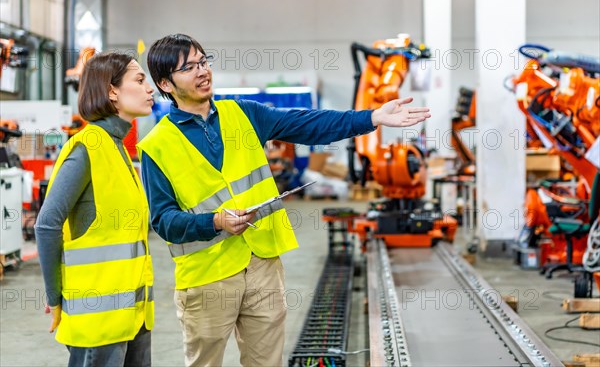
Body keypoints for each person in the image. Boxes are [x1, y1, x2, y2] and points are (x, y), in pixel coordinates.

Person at [139, 33, 431, 367]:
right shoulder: (157, 146)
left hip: (262, 262)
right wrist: (214, 222)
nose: (202, 71)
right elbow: (163, 222)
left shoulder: (244, 114)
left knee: (267, 362)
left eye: (204, 61)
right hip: (207, 276)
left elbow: (307, 123)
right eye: (189, 67)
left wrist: (371, 118)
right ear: (165, 83)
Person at [35, 52, 156, 367]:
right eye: (140, 80)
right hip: (98, 321)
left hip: (133, 315)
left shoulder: (117, 149)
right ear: (112, 91)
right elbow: (47, 224)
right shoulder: (88, 147)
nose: (150, 89)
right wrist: (54, 296)